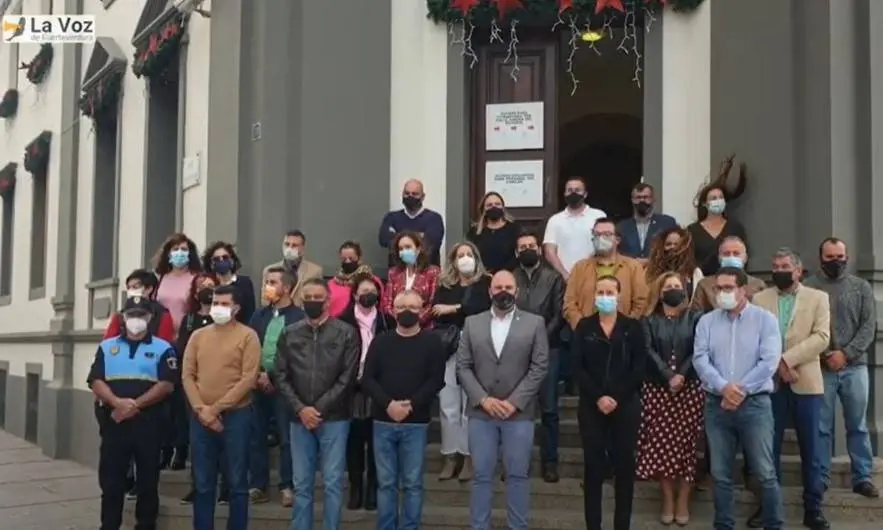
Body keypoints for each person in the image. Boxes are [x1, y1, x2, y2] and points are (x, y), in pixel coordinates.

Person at [692, 267, 784, 530]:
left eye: (728, 288)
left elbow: (769, 361)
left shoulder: (765, 320)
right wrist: (723, 388)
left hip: (755, 405)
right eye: (718, 288)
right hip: (716, 404)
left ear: (744, 290)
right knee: (720, 474)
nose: (722, 293)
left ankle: (774, 525)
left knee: (764, 472)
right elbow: (700, 359)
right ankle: (724, 525)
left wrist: (739, 391)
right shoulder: (707, 321)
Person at [457, 270, 549, 530]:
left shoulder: (534, 323)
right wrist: (483, 399)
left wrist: (515, 401)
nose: (503, 291)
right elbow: (463, 366)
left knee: (518, 476)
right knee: (481, 476)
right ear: (490, 291)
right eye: (498, 287)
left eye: (509, 287)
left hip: (518, 414)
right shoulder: (472, 323)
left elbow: (539, 367)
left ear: (517, 291)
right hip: (480, 413)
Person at [752, 248, 830, 529]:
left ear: (798, 271)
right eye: (774, 266)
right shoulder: (760, 299)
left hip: (806, 383)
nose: (779, 270)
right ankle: (768, 507)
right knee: (767, 450)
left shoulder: (818, 298)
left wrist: (787, 360)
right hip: (770, 385)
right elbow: (756, 339)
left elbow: (822, 337)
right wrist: (778, 367)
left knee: (812, 450)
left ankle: (814, 508)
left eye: (785, 265)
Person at [275, 278, 360, 530]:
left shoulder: (345, 333)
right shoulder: (290, 333)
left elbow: (348, 377)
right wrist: (301, 409)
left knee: (333, 483)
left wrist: (317, 409)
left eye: (317, 297)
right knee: (302, 485)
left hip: (334, 418)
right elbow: (280, 374)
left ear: (328, 300)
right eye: (308, 297)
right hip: (298, 418)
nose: (312, 301)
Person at [88, 296, 177, 530]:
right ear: (122, 318)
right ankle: (109, 525)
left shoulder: (163, 348)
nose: (136, 320)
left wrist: (134, 405)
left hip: (149, 424)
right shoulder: (107, 347)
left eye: (141, 315)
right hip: (115, 423)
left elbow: (166, 385)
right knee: (111, 482)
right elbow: (96, 380)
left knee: (148, 481)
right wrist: (117, 403)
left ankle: (146, 525)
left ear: (150, 318)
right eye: (131, 315)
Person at [360, 290, 446, 530]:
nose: (407, 311)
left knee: (412, 483)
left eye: (413, 306)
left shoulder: (432, 342)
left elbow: (436, 380)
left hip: (415, 422)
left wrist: (410, 405)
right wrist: (388, 404)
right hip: (383, 421)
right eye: (401, 306)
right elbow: (368, 379)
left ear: (422, 310)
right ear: (392, 310)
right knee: (386, 483)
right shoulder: (381, 341)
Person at [804, 237, 880, 498]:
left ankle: (863, 477)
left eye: (840, 256)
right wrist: (826, 355)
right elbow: (804, 328)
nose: (835, 261)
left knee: (857, 425)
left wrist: (846, 354)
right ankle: (821, 478)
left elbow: (868, 327)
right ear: (820, 258)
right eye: (829, 257)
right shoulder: (809, 287)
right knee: (821, 427)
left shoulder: (861, 288)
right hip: (821, 368)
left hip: (855, 368)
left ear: (847, 257)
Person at [182, 284, 260, 530]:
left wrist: (214, 410)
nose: (218, 308)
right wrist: (201, 410)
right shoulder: (198, 336)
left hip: (237, 416)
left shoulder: (248, 336)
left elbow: (248, 379)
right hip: (200, 417)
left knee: (237, 483)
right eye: (216, 303)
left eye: (224, 304)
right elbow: (187, 375)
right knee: (203, 483)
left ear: (236, 308)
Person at [571, 275, 645, 530]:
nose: (605, 297)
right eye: (600, 292)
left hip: (625, 406)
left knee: (624, 467)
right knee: (593, 467)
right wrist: (598, 397)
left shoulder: (632, 327)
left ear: (619, 295)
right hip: (592, 405)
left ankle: (621, 524)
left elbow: (639, 367)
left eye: (609, 292)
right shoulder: (584, 327)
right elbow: (576, 366)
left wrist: (616, 397)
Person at [635, 272, 703, 525]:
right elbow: (647, 350)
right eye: (668, 286)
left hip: (690, 389)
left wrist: (681, 376)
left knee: (688, 446)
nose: (673, 289)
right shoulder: (649, 320)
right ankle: (667, 498)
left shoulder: (696, 317)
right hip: (657, 389)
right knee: (660, 445)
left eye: (677, 285)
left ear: (685, 289)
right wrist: (667, 376)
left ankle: (683, 499)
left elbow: (699, 349)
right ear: (660, 291)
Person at [431, 241, 492, 482]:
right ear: (453, 261)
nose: (465, 258)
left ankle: (469, 456)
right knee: (448, 403)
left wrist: (455, 307)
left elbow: (482, 308)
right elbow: (437, 310)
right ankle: (450, 455)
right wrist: (456, 310)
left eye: (469, 254)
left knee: (471, 402)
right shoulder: (445, 284)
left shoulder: (485, 282)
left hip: (477, 344)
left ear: (476, 258)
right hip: (449, 345)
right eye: (460, 255)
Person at [337, 273, 396, 511]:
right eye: (363, 290)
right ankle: (356, 487)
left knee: (376, 442)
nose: (367, 294)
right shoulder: (343, 322)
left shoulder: (387, 321)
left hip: (379, 388)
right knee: (354, 441)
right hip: (351, 388)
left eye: (372, 290)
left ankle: (373, 487)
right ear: (354, 294)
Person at [247, 267, 305, 506]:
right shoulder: (258, 315)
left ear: (287, 287)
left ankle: (287, 485)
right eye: (266, 282)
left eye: (272, 282)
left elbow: (297, 354)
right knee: (256, 436)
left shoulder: (298, 317)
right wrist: (258, 374)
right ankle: (258, 485)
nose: (267, 286)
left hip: (285, 386)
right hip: (256, 384)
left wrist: (273, 376)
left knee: (286, 438)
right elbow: (250, 346)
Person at [512, 231, 565, 483]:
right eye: (523, 247)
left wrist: (540, 337)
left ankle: (550, 463)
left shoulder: (553, 278)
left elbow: (559, 313)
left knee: (550, 409)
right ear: (516, 252)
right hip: (516, 350)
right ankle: (517, 463)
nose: (528, 250)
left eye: (532, 245)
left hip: (548, 349)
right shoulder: (510, 278)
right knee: (517, 408)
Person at [174, 273, 225, 503]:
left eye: (211, 287)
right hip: (195, 387)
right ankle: (199, 485)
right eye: (202, 287)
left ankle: (225, 486)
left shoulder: (225, 319)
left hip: (222, 387)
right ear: (195, 293)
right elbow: (184, 352)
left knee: (224, 440)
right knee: (198, 441)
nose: (207, 291)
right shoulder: (189, 320)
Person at [564, 218, 649, 329]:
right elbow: (569, 304)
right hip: (586, 336)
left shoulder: (633, 267)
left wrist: (625, 328)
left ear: (617, 239)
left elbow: (641, 302)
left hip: (623, 336)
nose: (601, 238)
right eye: (597, 234)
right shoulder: (579, 268)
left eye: (607, 234)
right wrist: (582, 328)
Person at [542, 176, 607, 280]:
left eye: (577, 190)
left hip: (594, 276)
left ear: (585, 194)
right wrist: (565, 275)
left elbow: (605, 245)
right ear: (564, 194)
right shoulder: (555, 220)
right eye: (570, 190)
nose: (573, 193)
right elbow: (550, 252)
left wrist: (586, 270)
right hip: (563, 279)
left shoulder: (598, 216)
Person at [379, 179, 446, 267]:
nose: (410, 197)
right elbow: (383, 240)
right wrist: (420, 235)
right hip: (397, 273)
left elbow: (431, 244)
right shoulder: (391, 217)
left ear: (423, 197)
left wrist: (397, 235)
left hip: (426, 273)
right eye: (407, 193)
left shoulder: (434, 218)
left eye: (415, 194)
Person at [686, 184, 749, 276]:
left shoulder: (735, 227)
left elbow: (744, 255)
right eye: (713, 198)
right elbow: (688, 260)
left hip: (733, 278)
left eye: (720, 197)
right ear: (704, 203)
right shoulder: (692, 230)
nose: (718, 200)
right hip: (702, 280)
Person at [691, 236, 765, 312]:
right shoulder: (704, 285)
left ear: (745, 258)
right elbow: (695, 315)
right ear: (719, 258)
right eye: (726, 254)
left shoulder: (757, 285)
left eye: (736, 253)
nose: (731, 257)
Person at [381, 231, 440, 326]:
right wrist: (400, 320)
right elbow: (387, 303)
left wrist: (414, 321)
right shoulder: (393, 273)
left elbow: (432, 304)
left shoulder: (433, 272)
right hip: (398, 326)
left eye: (408, 247)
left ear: (418, 249)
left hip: (424, 328)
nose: (404, 251)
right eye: (401, 249)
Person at [103, 269, 175, 343]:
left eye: (135, 287)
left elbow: (165, 344)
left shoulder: (162, 314)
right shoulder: (120, 315)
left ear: (149, 289)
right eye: (129, 288)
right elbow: (107, 343)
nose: (131, 291)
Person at [152, 232, 202, 333]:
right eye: (175, 249)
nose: (180, 252)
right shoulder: (159, 279)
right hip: (162, 334)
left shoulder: (197, 279)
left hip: (186, 335)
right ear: (168, 254)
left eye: (184, 249)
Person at [616, 183, 677, 261]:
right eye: (638, 197)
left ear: (653, 199)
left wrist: (649, 261)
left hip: (659, 270)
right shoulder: (621, 226)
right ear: (632, 200)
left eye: (645, 197)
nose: (642, 200)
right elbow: (617, 253)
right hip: (631, 270)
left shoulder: (667, 223)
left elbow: (675, 250)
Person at [262, 229, 323, 307]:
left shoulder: (315, 271)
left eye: (294, 245)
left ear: (302, 248)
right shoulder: (269, 270)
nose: (289, 249)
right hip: (276, 314)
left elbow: (316, 298)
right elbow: (266, 300)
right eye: (287, 244)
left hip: (302, 316)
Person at [202, 241, 256, 324]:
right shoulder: (209, 285)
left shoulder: (244, 282)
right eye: (216, 259)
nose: (221, 260)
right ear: (211, 264)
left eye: (225, 257)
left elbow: (250, 312)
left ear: (232, 261)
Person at [466, 191, 520, 273]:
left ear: (503, 207)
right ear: (484, 209)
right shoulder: (474, 232)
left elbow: (518, 255)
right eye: (489, 205)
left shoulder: (514, 229)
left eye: (497, 204)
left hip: (507, 276)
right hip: (481, 276)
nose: (494, 207)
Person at [644, 226, 703, 299]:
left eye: (676, 244)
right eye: (668, 244)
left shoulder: (695, 273)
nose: (672, 247)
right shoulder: (650, 272)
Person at [328, 241, 380, 318]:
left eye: (351, 258)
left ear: (359, 258)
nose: (348, 261)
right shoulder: (332, 283)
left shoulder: (372, 281)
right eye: (344, 259)